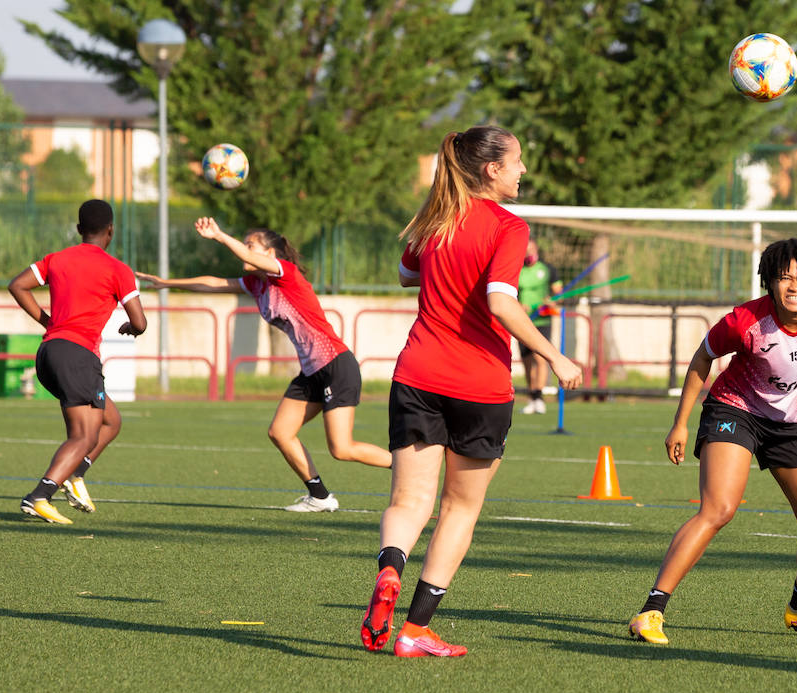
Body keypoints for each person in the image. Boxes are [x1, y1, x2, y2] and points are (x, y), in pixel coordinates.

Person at [359, 125, 583, 658]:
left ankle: (390, 568)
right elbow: (501, 302)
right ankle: (415, 630)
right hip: (479, 386)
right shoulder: (508, 226)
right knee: (459, 509)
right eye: (517, 162)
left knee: (409, 500)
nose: (523, 170)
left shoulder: (436, 218)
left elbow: (403, 274)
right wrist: (554, 356)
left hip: (416, 375)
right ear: (491, 169)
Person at [627, 238, 797, 646]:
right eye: (785, 277)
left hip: (791, 421)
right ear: (769, 282)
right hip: (734, 410)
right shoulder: (744, 321)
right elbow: (702, 358)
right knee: (719, 509)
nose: (795, 286)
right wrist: (679, 423)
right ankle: (650, 611)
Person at [137, 218, 391, 512]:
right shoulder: (256, 284)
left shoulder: (287, 274)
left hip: (335, 365)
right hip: (311, 372)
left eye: (251, 245)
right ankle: (320, 497)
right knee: (280, 432)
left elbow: (245, 258)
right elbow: (216, 283)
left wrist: (219, 236)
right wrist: (167, 283)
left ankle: (404, 467)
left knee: (342, 449)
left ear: (270, 255)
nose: (245, 250)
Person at [8, 199, 147, 525]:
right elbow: (140, 323)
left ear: (78, 229)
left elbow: (17, 285)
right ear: (111, 230)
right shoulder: (118, 269)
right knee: (83, 435)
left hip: (49, 354)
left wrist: (47, 321)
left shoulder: (57, 259)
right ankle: (39, 496)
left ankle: (75, 474)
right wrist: (129, 327)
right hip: (78, 356)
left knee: (110, 421)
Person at [517, 238, 559, 414]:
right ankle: (532, 396)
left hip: (542, 320)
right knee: (527, 362)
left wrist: (552, 301)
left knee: (540, 359)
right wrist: (518, 306)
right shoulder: (516, 269)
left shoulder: (547, 269)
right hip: (521, 321)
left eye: (531, 249)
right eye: (525, 249)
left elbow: (559, 294)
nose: (528, 252)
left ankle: (539, 397)